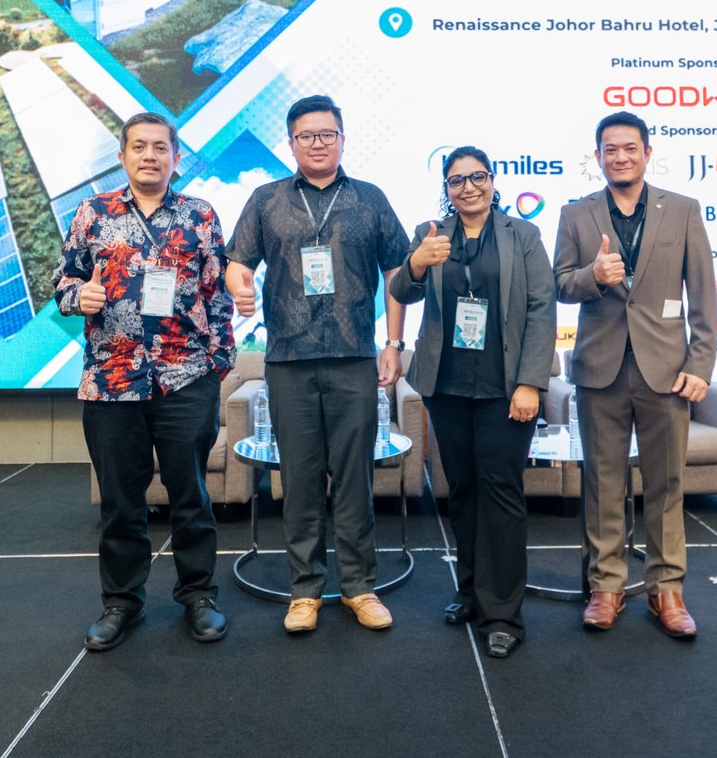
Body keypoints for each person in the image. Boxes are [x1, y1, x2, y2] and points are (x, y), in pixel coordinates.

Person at [225, 95, 409, 634]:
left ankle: (359, 587)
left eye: (327, 134)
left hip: (354, 357)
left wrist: (394, 342)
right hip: (289, 360)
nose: (318, 143)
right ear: (291, 143)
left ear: (343, 139)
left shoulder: (370, 199)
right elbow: (238, 261)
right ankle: (304, 591)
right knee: (300, 481)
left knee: (354, 479)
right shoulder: (266, 199)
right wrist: (239, 287)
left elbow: (398, 272)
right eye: (307, 135)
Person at [53, 111, 236, 650]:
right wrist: (78, 296)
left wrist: (217, 365)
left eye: (160, 147)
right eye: (139, 147)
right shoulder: (92, 213)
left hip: (186, 378)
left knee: (191, 495)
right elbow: (63, 281)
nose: (150, 156)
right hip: (112, 380)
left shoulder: (200, 214)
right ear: (122, 156)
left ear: (176, 158)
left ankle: (198, 596)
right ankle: (121, 603)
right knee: (120, 500)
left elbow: (217, 294)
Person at [552, 111, 717, 638]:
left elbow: (703, 295)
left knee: (666, 484)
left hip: (666, 372)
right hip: (599, 369)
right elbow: (559, 284)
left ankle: (667, 590)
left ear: (647, 152)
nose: (620, 157)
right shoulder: (576, 214)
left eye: (629, 148)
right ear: (597, 156)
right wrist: (592, 275)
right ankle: (606, 587)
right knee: (602, 483)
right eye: (610, 149)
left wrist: (700, 364)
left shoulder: (683, 210)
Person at [388, 147, 554, 659]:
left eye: (477, 176)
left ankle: (502, 613)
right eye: (456, 180)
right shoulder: (430, 233)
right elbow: (402, 290)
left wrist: (531, 382)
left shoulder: (522, 235)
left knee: (500, 493)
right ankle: (471, 591)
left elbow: (541, 308)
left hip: (506, 388)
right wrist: (417, 263)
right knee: (461, 491)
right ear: (447, 188)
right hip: (447, 385)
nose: (468, 187)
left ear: (493, 180)